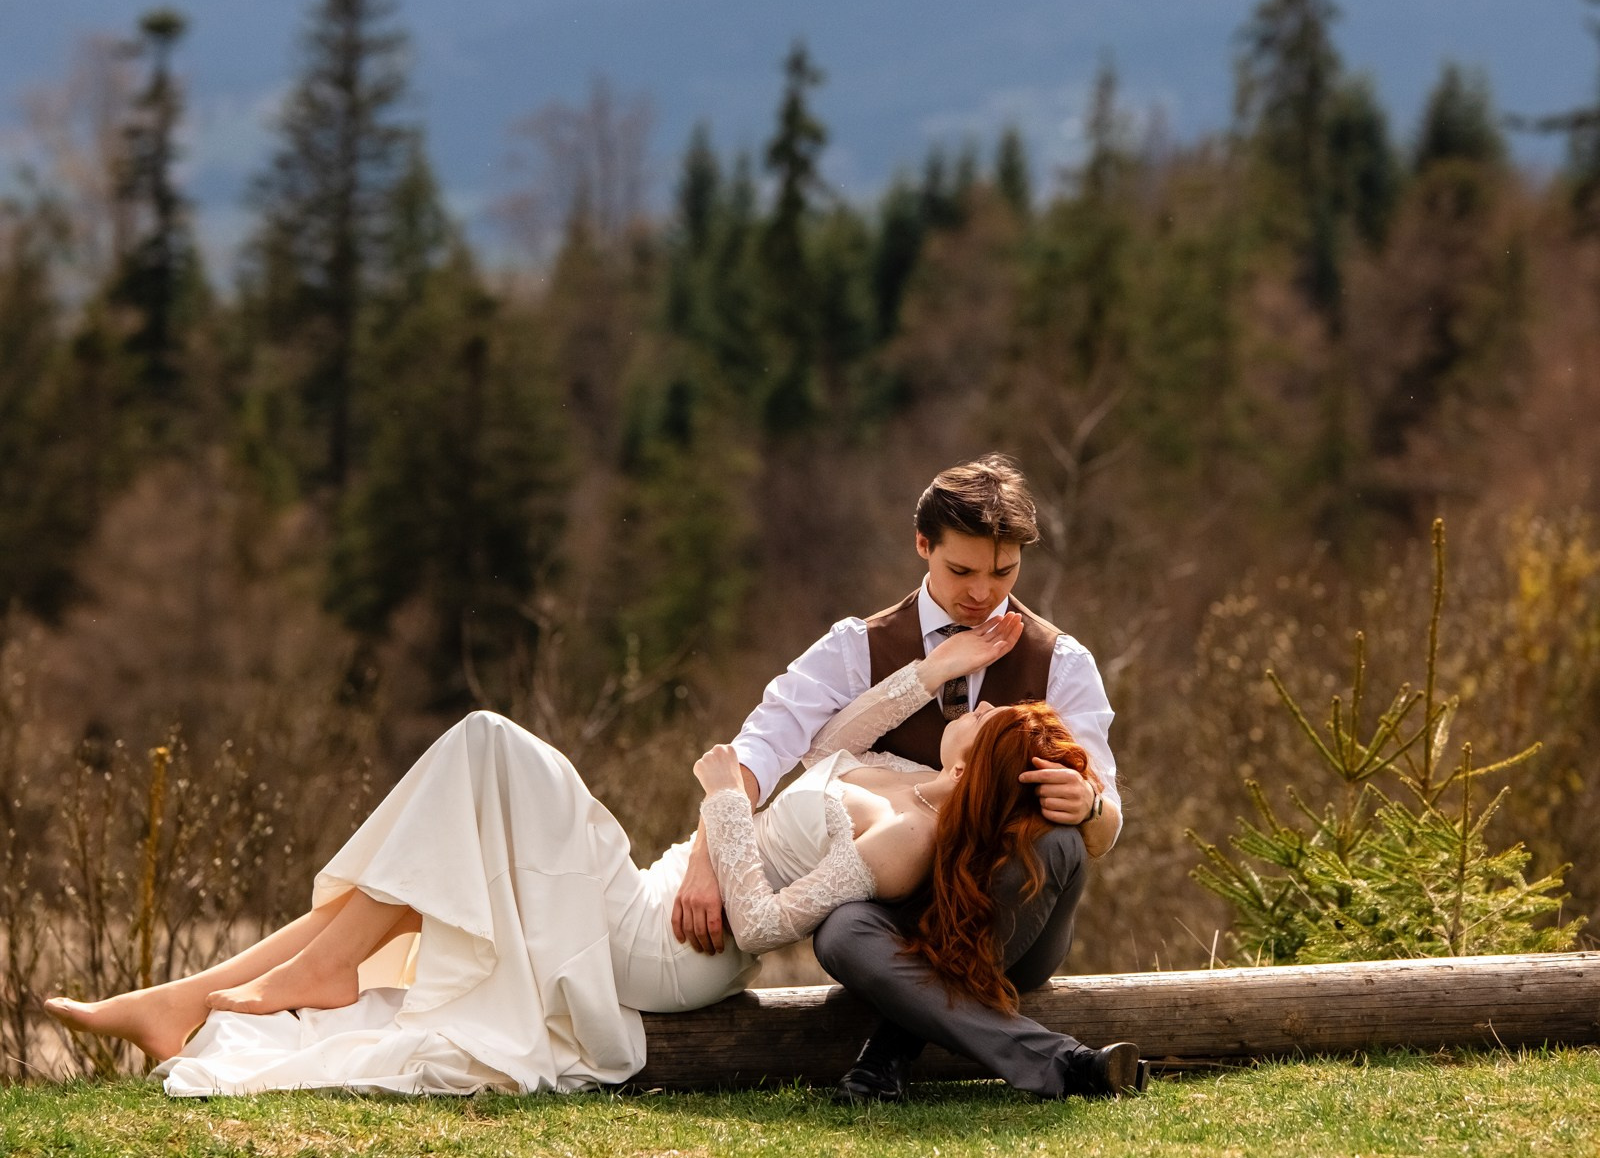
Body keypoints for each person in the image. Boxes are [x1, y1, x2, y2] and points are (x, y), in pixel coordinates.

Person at [41, 615, 1042, 1099]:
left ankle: (311, 971)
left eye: (990, 710)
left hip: (679, 953)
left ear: (987, 762)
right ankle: (192, 1001)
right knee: (468, 800)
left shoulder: (913, 835)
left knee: (488, 747)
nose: (978, 703)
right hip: (658, 892)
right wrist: (935, 667)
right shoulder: (895, 774)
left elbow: (775, 924)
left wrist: (721, 804)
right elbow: (830, 739)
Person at [671, 453, 1133, 1102]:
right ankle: (1059, 1063)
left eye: (1004, 572)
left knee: (1056, 843)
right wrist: (703, 860)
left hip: (1010, 913)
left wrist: (1088, 807)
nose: (983, 592)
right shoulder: (855, 648)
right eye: (961, 570)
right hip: (899, 911)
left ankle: (889, 1048)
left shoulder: (1062, 662)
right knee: (839, 932)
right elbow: (759, 753)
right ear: (923, 545)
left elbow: (1106, 826)